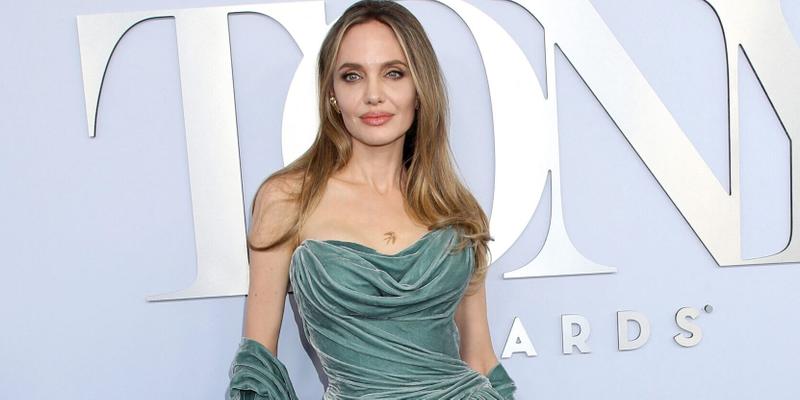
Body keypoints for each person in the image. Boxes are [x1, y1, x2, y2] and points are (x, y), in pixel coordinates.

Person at [226, 0, 517, 398]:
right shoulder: (286, 199)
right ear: (331, 94)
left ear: (419, 87)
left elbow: (481, 359)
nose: (373, 95)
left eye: (394, 73)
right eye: (352, 76)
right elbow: (258, 362)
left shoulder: (456, 210)